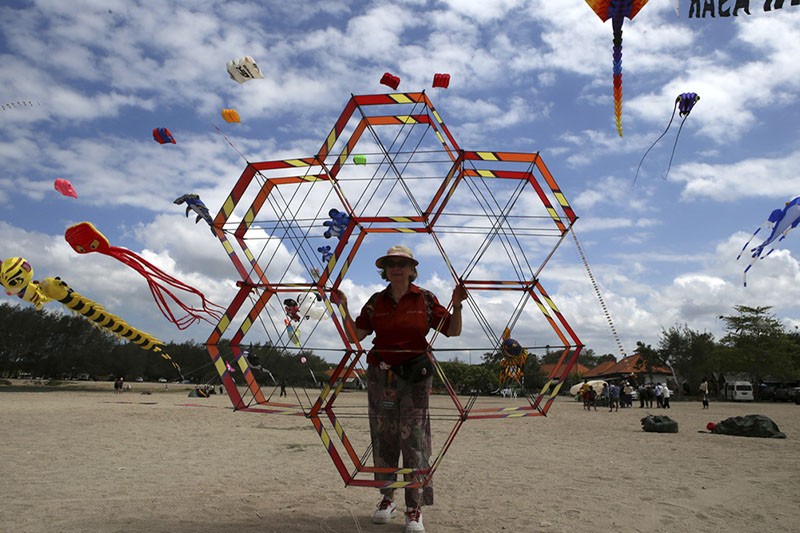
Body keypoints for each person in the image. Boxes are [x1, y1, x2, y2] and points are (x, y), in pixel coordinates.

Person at [337, 245, 467, 533]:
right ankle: (387, 499)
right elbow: (356, 335)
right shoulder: (375, 302)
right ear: (385, 269)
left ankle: (414, 507)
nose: (396, 267)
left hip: (416, 375)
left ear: (411, 269)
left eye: (402, 263)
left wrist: (458, 304)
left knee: (414, 439)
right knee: (385, 437)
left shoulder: (426, 299)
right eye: (391, 263)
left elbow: (453, 330)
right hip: (381, 376)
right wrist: (342, 307)